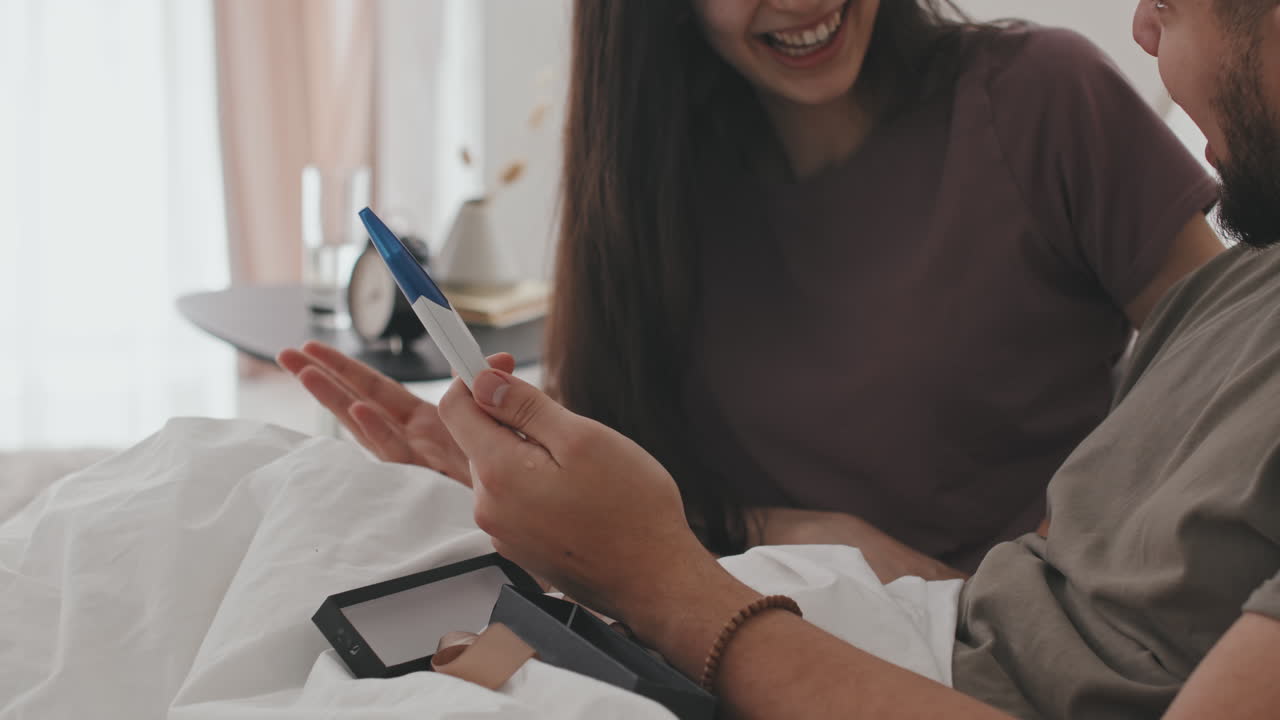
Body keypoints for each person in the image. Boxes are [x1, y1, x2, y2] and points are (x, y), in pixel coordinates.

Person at [427, 0, 1280, 717]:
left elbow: (1205, 415)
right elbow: (1209, 399)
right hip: (818, 604)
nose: (1141, 29)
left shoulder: (1037, 105)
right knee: (445, 654)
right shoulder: (652, 175)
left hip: (847, 629)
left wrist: (661, 580)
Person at [280, 0, 1226, 581]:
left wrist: (1019, 582)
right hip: (722, 633)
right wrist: (525, 473)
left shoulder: (1040, 98)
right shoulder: (652, 180)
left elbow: (1246, 392)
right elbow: (649, 477)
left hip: (982, 658)